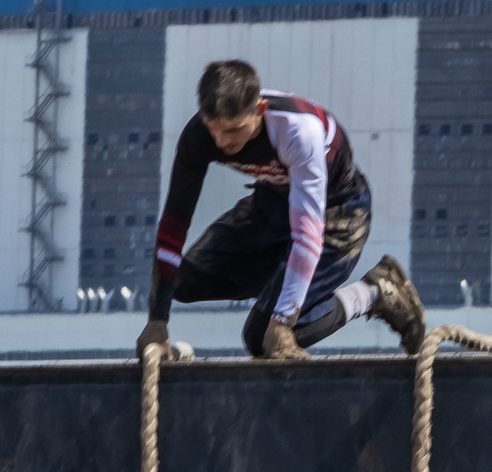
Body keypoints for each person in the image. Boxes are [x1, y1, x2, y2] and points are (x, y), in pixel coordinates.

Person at [138, 60, 424, 361]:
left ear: (259, 110)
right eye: (215, 130)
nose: (223, 142)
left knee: (261, 339)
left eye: (234, 130)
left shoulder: (299, 132)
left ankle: (376, 291)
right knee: (182, 282)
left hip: (336, 215)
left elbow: (309, 234)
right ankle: (287, 284)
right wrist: (157, 321)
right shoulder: (197, 138)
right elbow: (172, 230)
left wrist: (282, 320)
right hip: (272, 203)